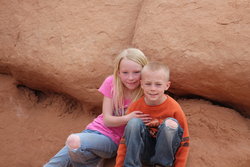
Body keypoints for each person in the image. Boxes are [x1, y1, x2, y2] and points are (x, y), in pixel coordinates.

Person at [44, 48, 151, 167]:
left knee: (73, 141)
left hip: (113, 140)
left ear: (145, 70)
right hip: (94, 131)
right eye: (125, 72)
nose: (130, 78)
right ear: (118, 72)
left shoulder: (147, 91)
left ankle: (91, 160)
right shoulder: (111, 82)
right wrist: (128, 118)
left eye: (136, 72)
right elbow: (107, 120)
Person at [115, 62, 190, 167]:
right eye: (148, 84)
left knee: (170, 124)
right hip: (144, 151)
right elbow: (125, 141)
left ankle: (161, 164)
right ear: (141, 84)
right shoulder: (135, 107)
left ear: (167, 85)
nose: (153, 88)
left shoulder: (174, 108)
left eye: (158, 84)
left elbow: (184, 140)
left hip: (166, 152)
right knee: (133, 123)